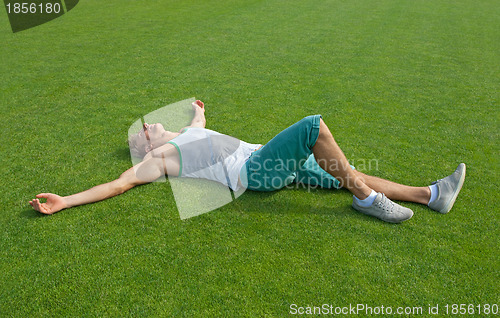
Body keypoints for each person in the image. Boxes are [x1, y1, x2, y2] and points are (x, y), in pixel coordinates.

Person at [29, 100, 466, 223]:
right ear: (146, 148)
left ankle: (431, 195)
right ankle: (369, 202)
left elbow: (200, 117)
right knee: (313, 128)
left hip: (263, 157)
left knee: (345, 172)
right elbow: (118, 185)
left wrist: (197, 108)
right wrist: (66, 200)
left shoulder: (189, 131)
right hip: (256, 173)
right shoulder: (158, 159)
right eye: (142, 133)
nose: (147, 127)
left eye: (148, 124)